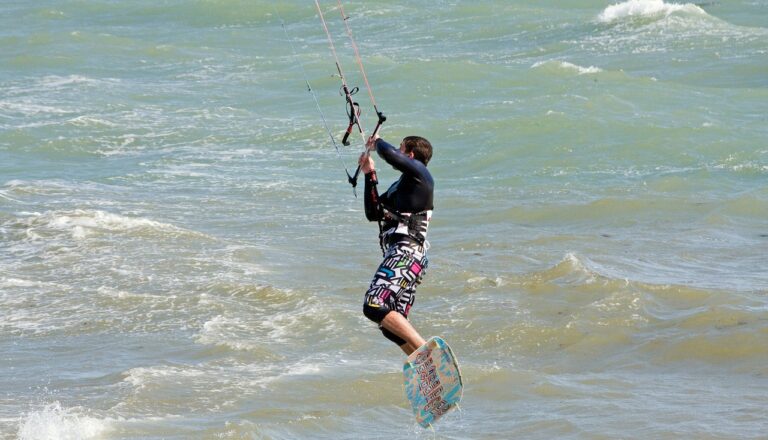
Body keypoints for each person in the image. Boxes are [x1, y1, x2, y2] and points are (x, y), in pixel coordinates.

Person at [358, 133, 434, 355]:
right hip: (407, 257)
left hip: (406, 253)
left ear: (410, 155)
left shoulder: (422, 176)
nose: (397, 152)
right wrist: (369, 174)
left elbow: (390, 154)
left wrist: (377, 142)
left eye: (401, 149)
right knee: (390, 327)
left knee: (374, 304)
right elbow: (374, 213)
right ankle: (425, 366)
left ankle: (426, 351)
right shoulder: (401, 188)